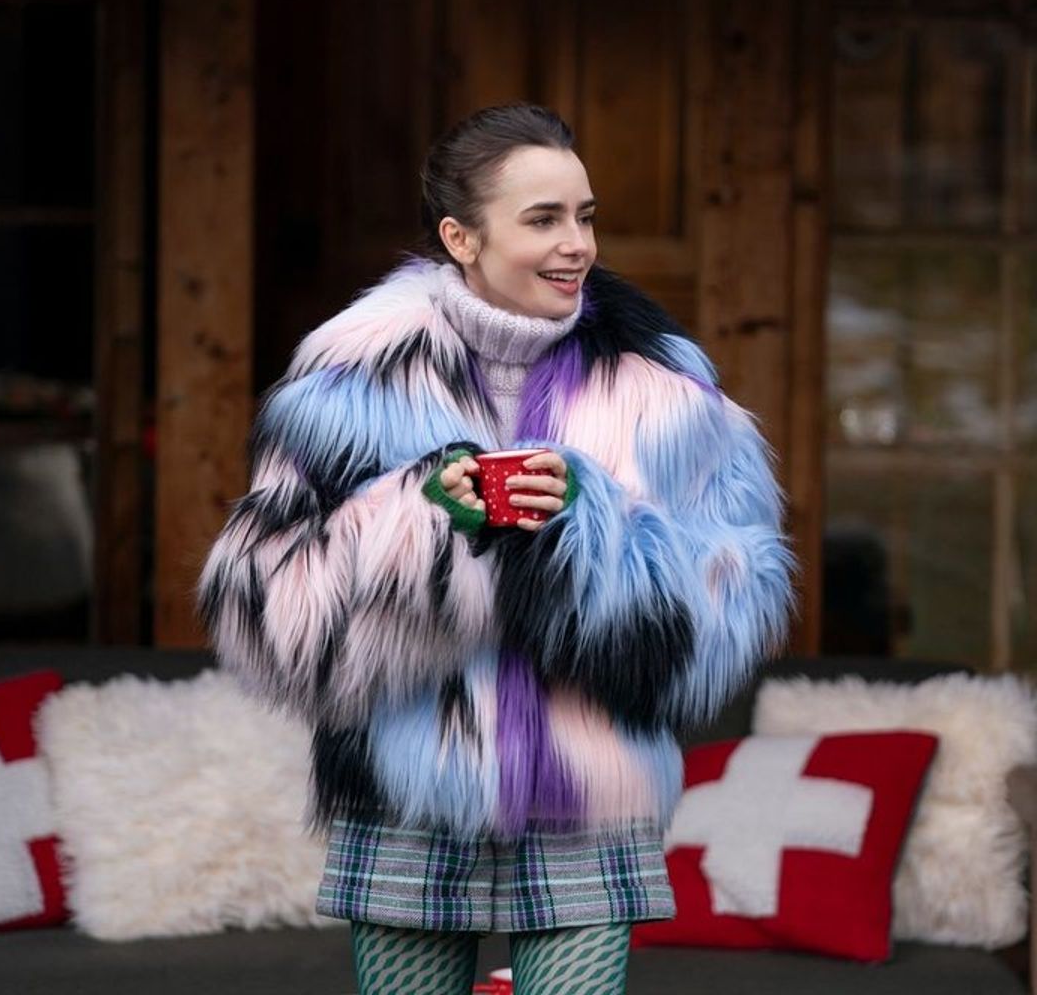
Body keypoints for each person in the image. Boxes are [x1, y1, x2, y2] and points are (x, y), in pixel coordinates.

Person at [198, 104, 795, 994]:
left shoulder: (665, 389)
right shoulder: (347, 381)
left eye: (585, 216)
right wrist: (426, 522)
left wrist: (581, 531)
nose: (577, 245)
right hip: (408, 792)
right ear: (461, 237)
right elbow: (268, 612)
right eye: (543, 219)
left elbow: (734, 598)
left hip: (591, 797)